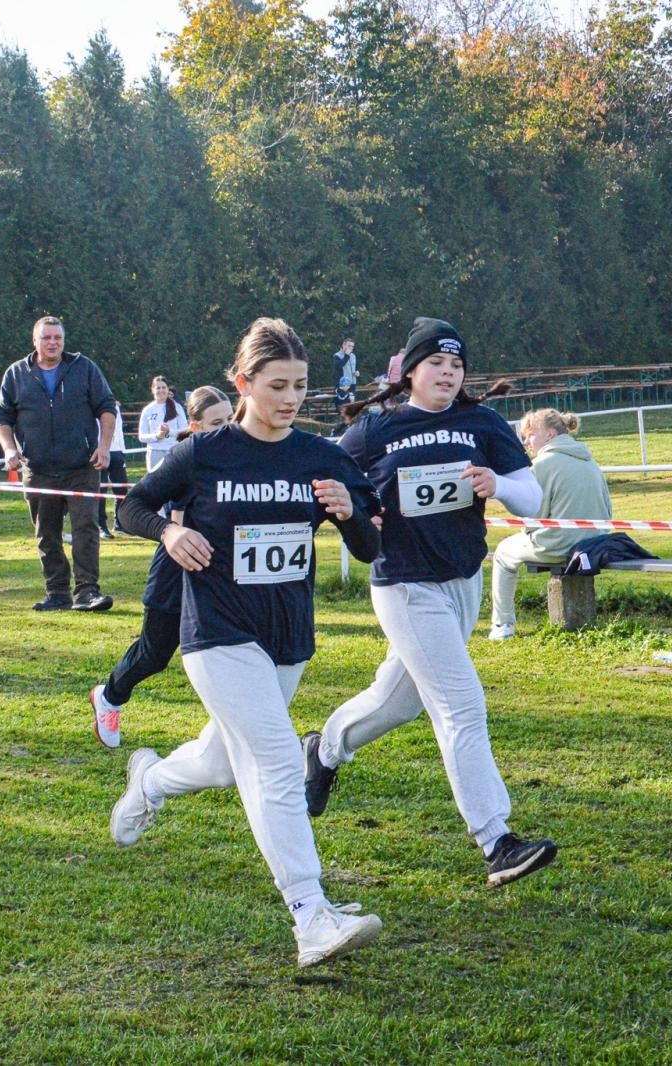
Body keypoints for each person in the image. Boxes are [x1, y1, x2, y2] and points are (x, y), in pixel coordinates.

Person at [108, 318, 385, 969]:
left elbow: (371, 547)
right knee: (281, 763)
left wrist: (348, 511)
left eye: (299, 386)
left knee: (224, 763)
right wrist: (169, 535)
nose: (289, 398)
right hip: (216, 635)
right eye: (276, 385)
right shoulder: (207, 452)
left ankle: (150, 782)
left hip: (286, 637)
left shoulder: (321, 456)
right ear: (243, 383)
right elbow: (131, 507)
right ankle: (310, 914)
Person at [303, 317, 557, 889]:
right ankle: (496, 840)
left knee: (396, 703)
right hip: (404, 584)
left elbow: (532, 496)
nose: (447, 373)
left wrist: (499, 483)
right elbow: (327, 483)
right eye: (436, 364)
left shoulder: (482, 422)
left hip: (462, 581)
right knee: (461, 705)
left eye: (457, 365)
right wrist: (356, 509)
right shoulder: (375, 430)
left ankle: (324, 750)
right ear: (410, 371)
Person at [89, 385, 233, 748]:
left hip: (221, 573)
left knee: (226, 652)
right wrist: (172, 532)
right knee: (154, 655)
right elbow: (138, 509)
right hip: (176, 571)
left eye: (231, 419)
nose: (227, 428)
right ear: (197, 426)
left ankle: (230, 733)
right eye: (217, 422)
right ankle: (109, 695)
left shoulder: (242, 457)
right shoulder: (187, 458)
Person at [0, 315, 119, 611]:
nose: (53, 343)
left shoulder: (84, 368)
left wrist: (104, 447)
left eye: (57, 338)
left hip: (82, 466)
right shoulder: (16, 374)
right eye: (47, 338)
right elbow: (1, 417)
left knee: (85, 529)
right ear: (34, 341)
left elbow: (107, 406)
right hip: (37, 469)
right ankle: (57, 592)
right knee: (46, 533)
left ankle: (87, 592)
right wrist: (9, 449)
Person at [488, 409, 612, 640]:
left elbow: (533, 514)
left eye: (531, 434)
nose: (526, 442)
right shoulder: (590, 460)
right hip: (596, 542)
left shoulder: (543, 463)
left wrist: (528, 531)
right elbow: (608, 508)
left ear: (551, 434)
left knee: (503, 553)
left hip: (559, 545)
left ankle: (502, 624)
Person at [137, 376, 188, 474]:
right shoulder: (147, 410)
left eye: (164, 387)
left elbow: (185, 431)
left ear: (168, 389)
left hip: (174, 451)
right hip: (154, 452)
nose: (161, 390)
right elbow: (142, 436)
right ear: (153, 390)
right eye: (158, 388)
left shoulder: (177, 408)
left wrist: (169, 432)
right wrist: (157, 436)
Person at [97, 406, 127, 537]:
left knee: (121, 489)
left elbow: (119, 429)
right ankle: (101, 525)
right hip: (99, 450)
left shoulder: (115, 406)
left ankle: (120, 523)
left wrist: (122, 451)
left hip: (116, 452)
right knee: (100, 490)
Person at [332, 338, 358, 416]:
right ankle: (343, 422)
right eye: (349, 346)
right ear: (343, 345)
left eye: (352, 346)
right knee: (343, 407)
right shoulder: (337, 355)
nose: (351, 348)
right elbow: (339, 367)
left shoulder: (353, 356)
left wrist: (357, 372)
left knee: (352, 405)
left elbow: (355, 368)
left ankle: (351, 423)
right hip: (343, 386)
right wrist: (346, 355)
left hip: (352, 383)